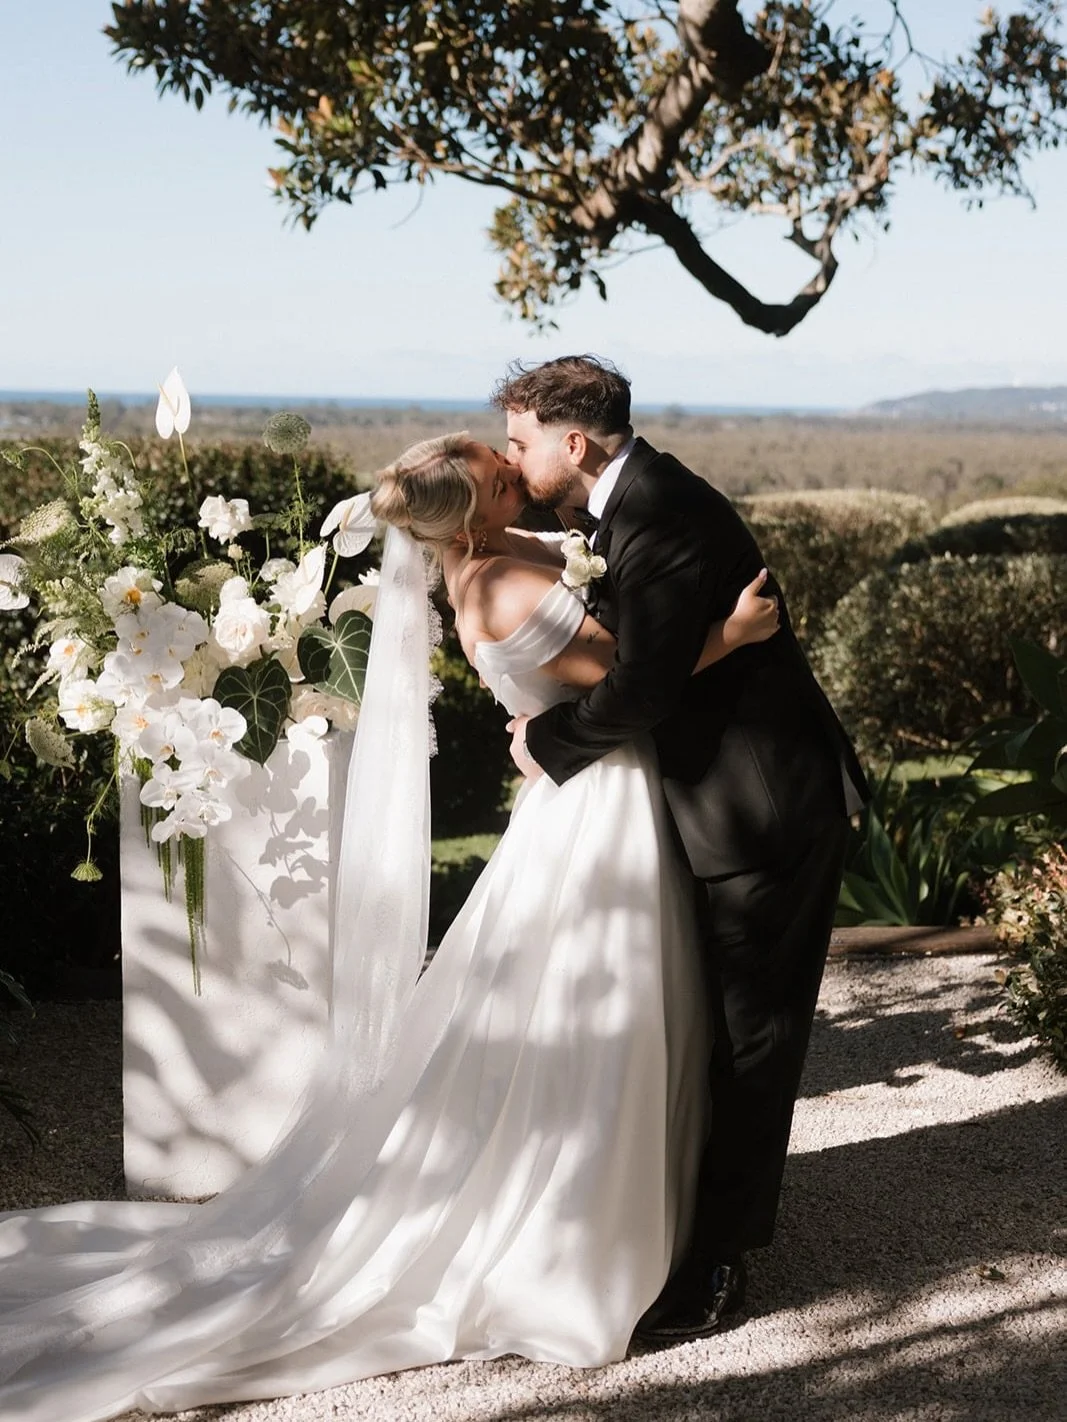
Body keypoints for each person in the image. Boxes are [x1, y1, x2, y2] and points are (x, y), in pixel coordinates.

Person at [0, 434, 778, 1422]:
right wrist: (733, 635)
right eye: (504, 479)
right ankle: (580, 1232)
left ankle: (633, 1214)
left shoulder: (492, 564)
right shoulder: (495, 584)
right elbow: (633, 678)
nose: (517, 475)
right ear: (473, 514)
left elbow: (593, 597)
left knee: (608, 1007)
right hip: (596, 810)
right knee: (602, 1006)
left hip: (588, 796)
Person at [494, 356, 870, 1342]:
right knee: (708, 1028)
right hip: (711, 803)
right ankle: (678, 1226)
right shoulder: (620, 506)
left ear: (572, 443)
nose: (511, 454)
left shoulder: (660, 518)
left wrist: (543, 742)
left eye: (521, 438)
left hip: (761, 811)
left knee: (751, 1038)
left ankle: (714, 1267)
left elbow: (643, 689)